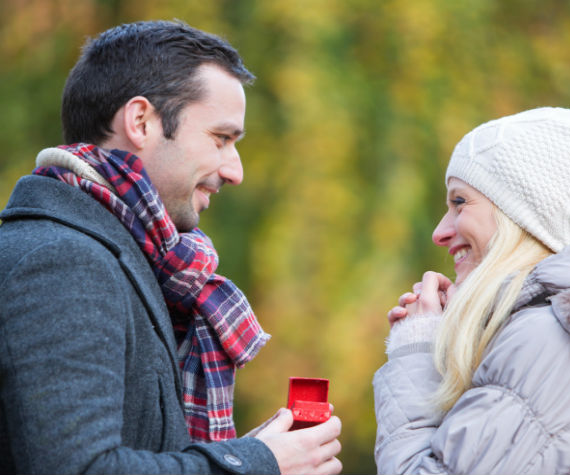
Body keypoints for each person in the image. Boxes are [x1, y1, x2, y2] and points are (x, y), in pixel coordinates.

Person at [0, 20, 341, 475]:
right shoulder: (62, 261)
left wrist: (247, 455)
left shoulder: (127, 258)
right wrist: (254, 465)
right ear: (141, 121)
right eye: (221, 139)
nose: (235, 171)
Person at [373, 107, 570, 474]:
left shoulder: (553, 342)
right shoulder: (563, 330)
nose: (440, 232)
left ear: (526, 217)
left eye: (460, 202)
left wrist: (414, 352)